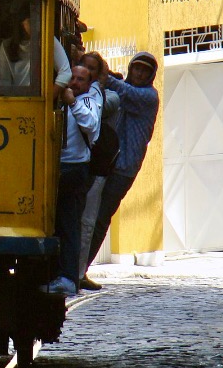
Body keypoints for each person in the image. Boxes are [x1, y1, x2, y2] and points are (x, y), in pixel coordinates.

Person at [82, 52, 160, 278]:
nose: (139, 73)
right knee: (88, 216)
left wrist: (105, 75)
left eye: (145, 71)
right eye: (137, 68)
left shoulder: (147, 96)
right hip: (108, 162)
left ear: (151, 75)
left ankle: (82, 268)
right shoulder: (122, 88)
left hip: (123, 168)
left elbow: (124, 91)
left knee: (100, 218)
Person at [44, 64, 103, 296]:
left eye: (81, 79)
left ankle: (68, 277)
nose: (75, 83)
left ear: (88, 84)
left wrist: (72, 102)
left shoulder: (87, 101)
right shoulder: (58, 97)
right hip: (56, 166)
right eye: (73, 78)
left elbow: (91, 125)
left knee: (69, 223)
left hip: (75, 167)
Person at [76, 51, 121, 290]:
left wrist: (97, 88)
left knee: (88, 221)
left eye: (94, 68)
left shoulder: (107, 96)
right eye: (86, 66)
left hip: (97, 167)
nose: (89, 72)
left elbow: (106, 105)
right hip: (77, 165)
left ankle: (80, 271)